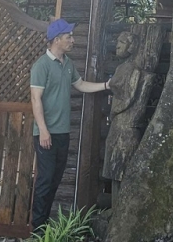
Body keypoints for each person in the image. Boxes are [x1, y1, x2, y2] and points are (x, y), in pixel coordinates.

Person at [29, 17, 109, 231]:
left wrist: (106, 85)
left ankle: (44, 227)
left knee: (54, 180)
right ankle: (37, 230)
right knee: (45, 181)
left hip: (63, 133)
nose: (73, 40)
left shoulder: (68, 64)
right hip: (46, 134)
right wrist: (44, 131)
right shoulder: (41, 65)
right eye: (69, 37)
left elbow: (81, 85)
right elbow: (36, 99)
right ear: (56, 40)